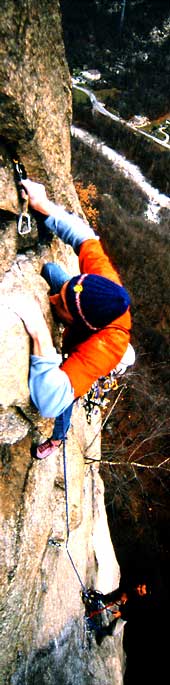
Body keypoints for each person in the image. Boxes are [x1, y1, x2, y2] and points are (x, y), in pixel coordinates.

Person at [12, 179, 135, 459]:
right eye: (61, 296)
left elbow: (50, 401)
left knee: (67, 402)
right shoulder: (105, 284)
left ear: (84, 323)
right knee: (54, 271)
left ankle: (56, 440)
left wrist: (41, 335)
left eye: (61, 305)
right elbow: (85, 237)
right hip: (83, 305)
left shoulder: (106, 349)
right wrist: (45, 207)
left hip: (81, 353)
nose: (53, 300)